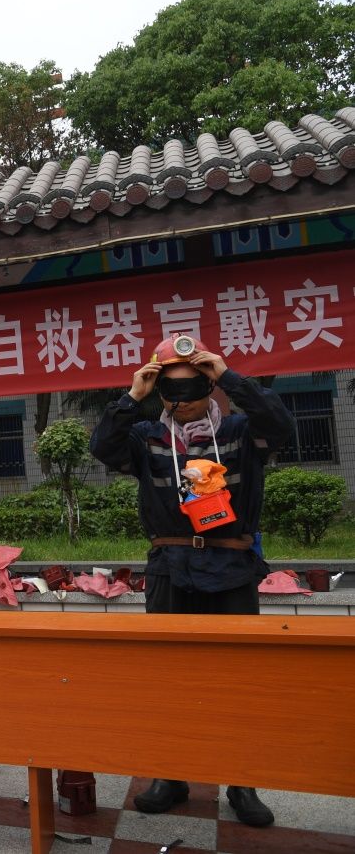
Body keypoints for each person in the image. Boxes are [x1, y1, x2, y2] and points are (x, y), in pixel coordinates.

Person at [89, 334, 296, 828]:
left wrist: (228, 375)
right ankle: (171, 775)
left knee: (237, 682)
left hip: (231, 568)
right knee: (169, 679)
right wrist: (133, 396)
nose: (181, 402)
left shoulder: (242, 432)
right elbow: (103, 447)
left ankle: (241, 782)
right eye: (171, 391)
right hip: (170, 567)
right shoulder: (148, 438)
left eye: (193, 388)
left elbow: (280, 426)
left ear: (209, 386)